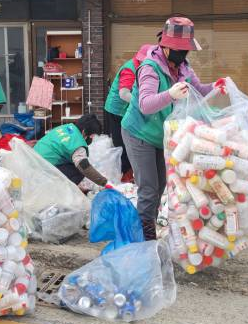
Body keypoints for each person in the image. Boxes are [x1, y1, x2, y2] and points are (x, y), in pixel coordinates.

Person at [121, 17, 224, 240]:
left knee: (159, 188)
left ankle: (147, 224)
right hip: (139, 132)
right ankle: (145, 238)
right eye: (179, 50)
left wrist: (216, 86)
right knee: (148, 188)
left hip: (162, 135)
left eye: (185, 50)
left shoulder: (183, 67)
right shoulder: (150, 68)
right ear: (165, 46)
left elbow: (199, 90)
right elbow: (146, 105)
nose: (183, 54)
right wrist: (171, 94)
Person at [104, 44, 153, 180]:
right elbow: (123, 93)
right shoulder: (130, 69)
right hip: (116, 110)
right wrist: (142, 103)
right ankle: (122, 175)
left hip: (126, 109)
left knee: (128, 143)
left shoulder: (143, 68)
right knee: (122, 144)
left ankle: (127, 173)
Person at [34, 114, 108, 187]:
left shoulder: (68, 127)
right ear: (84, 131)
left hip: (33, 159)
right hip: (43, 169)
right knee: (79, 171)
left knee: (73, 164)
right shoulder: (77, 143)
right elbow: (84, 167)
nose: (92, 138)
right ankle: (58, 190)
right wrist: (104, 182)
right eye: (92, 135)